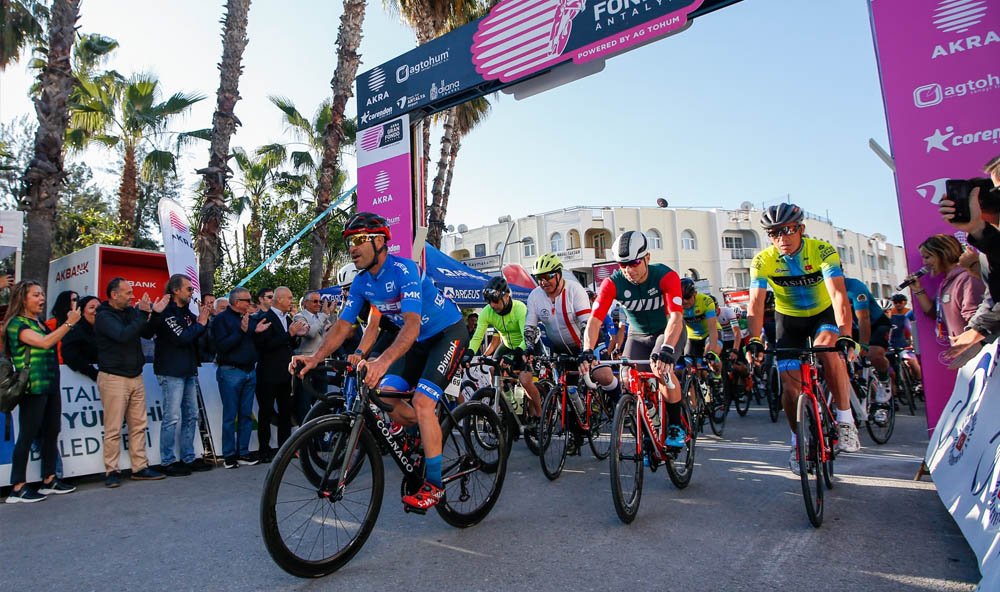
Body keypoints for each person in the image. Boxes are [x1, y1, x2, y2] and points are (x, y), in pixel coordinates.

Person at [293, 212, 468, 511]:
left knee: (423, 402)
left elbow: (411, 325)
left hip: (447, 333)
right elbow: (343, 326)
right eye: (350, 242)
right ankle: (423, 432)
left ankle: (435, 485)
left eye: (359, 240)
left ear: (379, 241)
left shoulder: (404, 270)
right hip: (417, 342)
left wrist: (381, 362)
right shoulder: (362, 283)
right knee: (387, 395)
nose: (352, 248)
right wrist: (315, 357)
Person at [744, 203, 861, 475]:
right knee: (789, 385)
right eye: (773, 233)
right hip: (790, 321)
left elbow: (838, 295)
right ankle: (797, 441)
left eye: (787, 231)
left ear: (801, 229)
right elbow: (755, 303)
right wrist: (755, 339)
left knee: (826, 350)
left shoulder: (821, 251)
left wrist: (846, 335)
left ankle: (845, 421)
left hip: (823, 315)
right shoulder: (763, 260)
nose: (781, 238)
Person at [583, 231, 687, 449]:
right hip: (637, 335)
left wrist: (667, 347)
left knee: (662, 370)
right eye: (622, 265)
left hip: (666, 331)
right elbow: (594, 321)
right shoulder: (613, 283)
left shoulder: (665, 276)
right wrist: (587, 349)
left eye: (634, 263)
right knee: (626, 379)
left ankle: (676, 425)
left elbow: (676, 317)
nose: (629, 270)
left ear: (647, 257)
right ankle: (648, 424)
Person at [526, 253, 622, 444]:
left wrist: (586, 352)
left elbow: (587, 324)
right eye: (540, 278)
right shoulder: (535, 296)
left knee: (602, 375)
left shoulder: (574, 290)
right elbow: (530, 327)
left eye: (548, 277)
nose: (544, 282)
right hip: (560, 347)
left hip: (585, 342)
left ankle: (619, 403)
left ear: (559, 274)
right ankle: (575, 432)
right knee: (566, 389)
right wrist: (529, 348)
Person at [4, 281, 79, 503]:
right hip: (32, 387)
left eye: (42, 294)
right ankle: (17, 487)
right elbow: (45, 343)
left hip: (50, 385)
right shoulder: (16, 324)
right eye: (36, 295)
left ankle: (49, 479)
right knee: (27, 435)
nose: (41, 299)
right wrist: (69, 323)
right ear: (22, 299)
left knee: (51, 431)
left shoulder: (38, 322)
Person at [94, 278, 168, 487]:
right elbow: (123, 335)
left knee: (138, 425)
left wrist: (156, 314)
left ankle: (140, 467)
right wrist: (144, 313)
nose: (132, 296)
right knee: (114, 427)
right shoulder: (104, 316)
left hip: (135, 376)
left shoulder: (132, 312)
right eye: (127, 293)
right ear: (114, 294)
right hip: (113, 377)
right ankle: (112, 471)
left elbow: (146, 332)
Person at [153, 274, 213, 476]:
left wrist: (203, 322)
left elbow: (197, 337)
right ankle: (167, 460)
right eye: (188, 289)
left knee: (192, 415)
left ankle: (188, 457)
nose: (191, 292)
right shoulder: (167, 313)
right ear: (176, 290)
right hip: (171, 371)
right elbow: (182, 338)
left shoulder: (187, 312)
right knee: (172, 417)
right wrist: (201, 323)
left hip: (188, 369)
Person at [464, 276, 540, 422]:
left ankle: (539, 415)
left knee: (525, 381)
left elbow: (526, 338)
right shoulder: (487, 312)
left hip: (526, 345)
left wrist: (516, 355)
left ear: (506, 296)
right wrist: (469, 353)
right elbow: (478, 336)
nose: (492, 305)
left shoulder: (519, 308)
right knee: (493, 370)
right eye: (489, 301)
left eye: (495, 301)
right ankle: (509, 405)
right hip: (507, 345)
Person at [213, 287, 269, 469]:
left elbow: (252, 340)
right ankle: (229, 455)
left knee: (246, 415)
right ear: (237, 302)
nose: (250, 303)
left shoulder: (250, 319)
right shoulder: (221, 320)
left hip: (248, 371)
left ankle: (243, 452)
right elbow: (221, 347)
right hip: (230, 372)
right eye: (247, 300)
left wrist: (255, 330)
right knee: (230, 415)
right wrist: (242, 331)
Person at [254, 286, 308, 461]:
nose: (291, 301)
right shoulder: (265, 317)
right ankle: (264, 450)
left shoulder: (288, 318)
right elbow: (265, 345)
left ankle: (284, 449)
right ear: (279, 299)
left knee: (286, 413)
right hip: (268, 374)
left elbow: (287, 345)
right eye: (289, 298)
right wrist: (289, 334)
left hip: (285, 374)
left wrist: (295, 335)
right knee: (266, 413)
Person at [908, 234, 984, 340]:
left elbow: (978, 322)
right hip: (964, 351)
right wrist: (918, 290)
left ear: (943, 254)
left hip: (978, 351)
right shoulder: (947, 282)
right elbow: (934, 313)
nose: (924, 262)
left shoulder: (967, 278)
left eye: (927, 257)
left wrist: (964, 343)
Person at [844, 277, 894, 412]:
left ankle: (884, 381)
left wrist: (864, 345)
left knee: (873, 354)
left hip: (875, 324)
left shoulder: (855, 287)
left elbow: (863, 318)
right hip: (852, 327)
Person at [293, 289, 332, 423]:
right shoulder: (299, 317)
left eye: (320, 301)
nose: (318, 304)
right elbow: (311, 333)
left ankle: (320, 437)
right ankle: (305, 438)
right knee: (304, 403)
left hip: (321, 363)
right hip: (305, 364)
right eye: (315, 301)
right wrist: (324, 316)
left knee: (322, 402)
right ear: (305, 303)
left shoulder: (321, 317)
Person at [680, 279, 720, 361]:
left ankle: (718, 373)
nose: (684, 301)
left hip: (709, 333)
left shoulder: (706, 301)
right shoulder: (676, 304)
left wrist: (712, 351)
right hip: (692, 337)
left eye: (687, 297)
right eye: (681, 298)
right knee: (688, 362)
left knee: (711, 360)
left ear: (694, 293)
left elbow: (712, 328)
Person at [887, 294, 923, 386]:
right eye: (895, 302)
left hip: (904, 343)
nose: (898, 304)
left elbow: (912, 329)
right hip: (889, 347)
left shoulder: (908, 314)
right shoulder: (887, 315)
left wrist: (912, 342)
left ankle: (920, 382)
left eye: (900, 302)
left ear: (904, 303)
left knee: (912, 361)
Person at [63, 295, 100, 381]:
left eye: (99, 307)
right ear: (82, 312)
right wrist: (93, 373)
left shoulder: (106, 330)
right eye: (92, 307)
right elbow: (71, 356)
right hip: (81, 381)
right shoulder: (75, 330)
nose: (96, 311)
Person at [44, 290, 77, 363]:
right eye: (74, 300)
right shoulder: (52, 323)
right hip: (59, 363)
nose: (77, 302)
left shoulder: (80, 320)